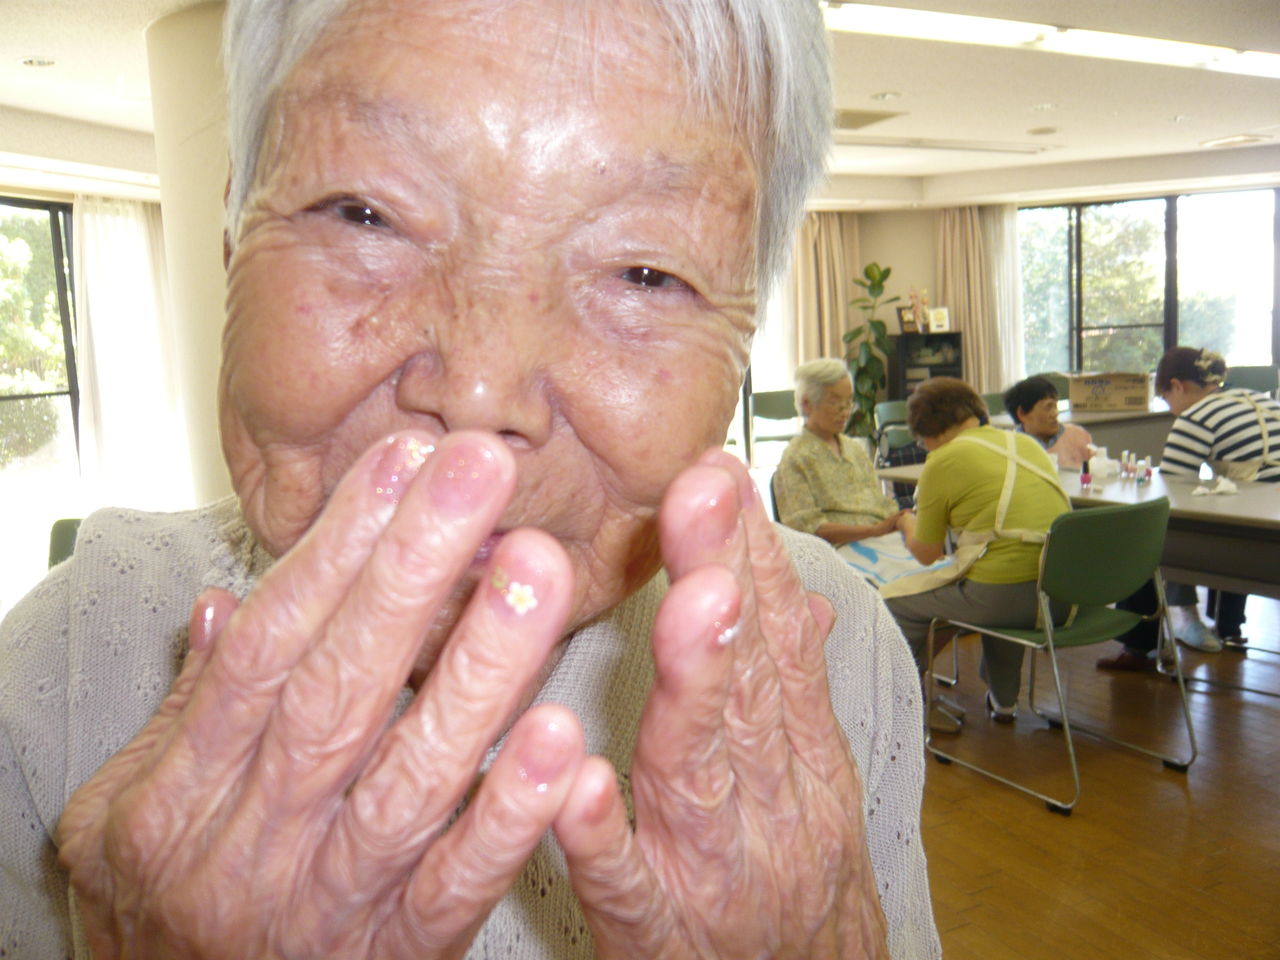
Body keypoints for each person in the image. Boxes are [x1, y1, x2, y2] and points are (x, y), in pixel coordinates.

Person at [0, 1, 941, 958]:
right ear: (234, 240)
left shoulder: (822, 659)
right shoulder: (68, 666)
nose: (479, 391)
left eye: (646, 274)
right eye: (366, 214)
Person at [883, 378, 1071, 729]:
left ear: (927, 431)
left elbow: (926, 553)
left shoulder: (943, 459)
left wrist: (907, 522)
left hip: (1005, 599)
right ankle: (1004, 701)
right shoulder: (1026, 445)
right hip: (1061, 597)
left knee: (896, 603)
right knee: (1001, 569)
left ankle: (903, 710)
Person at [1098, 347, 1280, 670]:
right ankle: (1228, 625)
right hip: (1267, 532)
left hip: (1255, 547)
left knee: (1146, 537)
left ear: (1177, 386)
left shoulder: (1196, 417)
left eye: (1167, 399)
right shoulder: (1260, 399)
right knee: (1233, 513)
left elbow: (1170, 487)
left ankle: (1142, 647)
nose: (1171, 411)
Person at [1002, 374, 1093, 470]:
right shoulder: (1009, 449)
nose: (1055, 413)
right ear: (1022, 414)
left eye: (1055, 406)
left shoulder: (1077, 435)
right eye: (1048, 407)